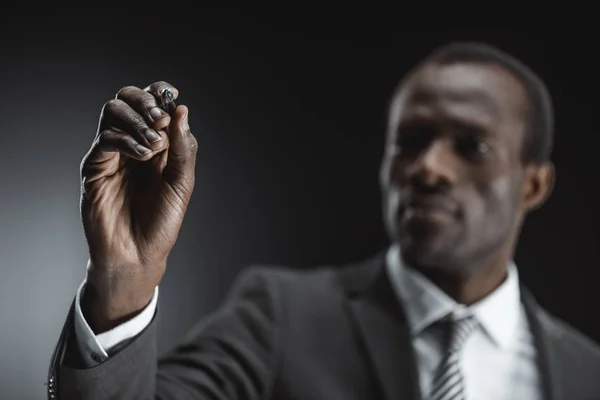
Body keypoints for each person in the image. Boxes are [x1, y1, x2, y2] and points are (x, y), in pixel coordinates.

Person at [48, 42, 600, 400]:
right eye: (408, 142)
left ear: (534, 184)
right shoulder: (281, 315)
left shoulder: (584, 373)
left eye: (471, 146)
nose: (428, 167)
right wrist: (122, 281)